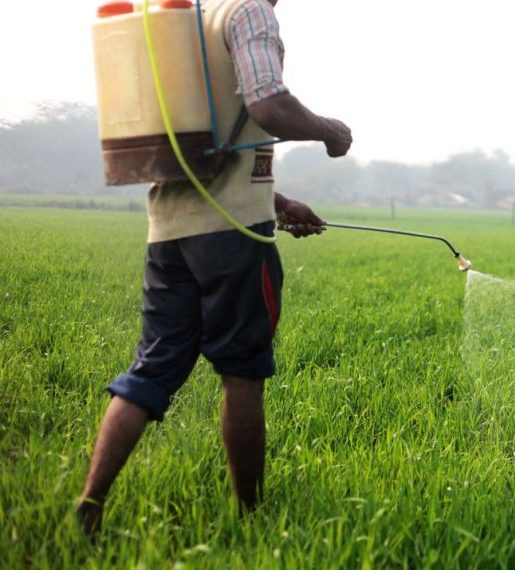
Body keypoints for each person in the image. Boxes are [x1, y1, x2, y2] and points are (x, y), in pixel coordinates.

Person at [76, 0, 351, 534]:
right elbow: (268, 105)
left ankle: (92, 499)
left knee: (152, 368)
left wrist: (278, 201)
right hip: (232, 240)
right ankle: (250, 516)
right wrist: (329, 132)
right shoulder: (249, 12)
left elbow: (207, 141)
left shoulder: (186, 17)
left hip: (170, 234)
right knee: (243, 374)